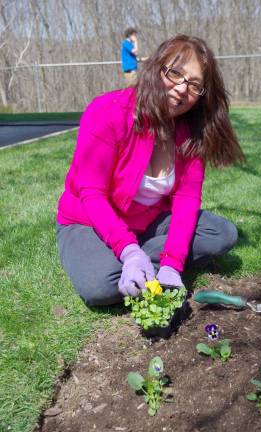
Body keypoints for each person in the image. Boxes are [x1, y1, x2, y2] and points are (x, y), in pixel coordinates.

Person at [56, 34, 245, 307]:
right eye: (175, 73)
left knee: (222, 234)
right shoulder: (108, 112)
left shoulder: (191, 133)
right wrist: (129, 250)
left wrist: (172, 263)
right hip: (88, 219)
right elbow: (92, 194)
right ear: (157, 68)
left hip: (147, 221)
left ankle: (143, 260)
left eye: (194, 85)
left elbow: (186, 201)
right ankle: (125, 256)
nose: (182, 88)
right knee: (101, 287)